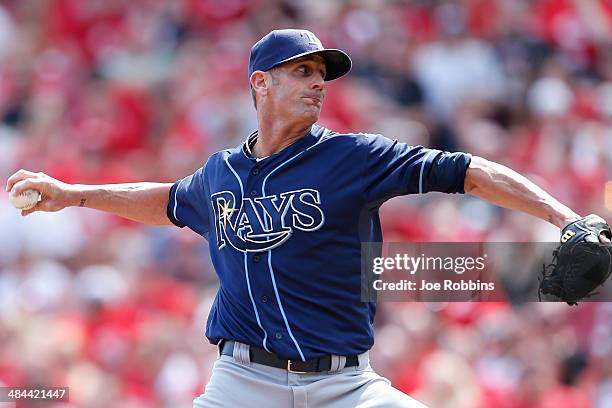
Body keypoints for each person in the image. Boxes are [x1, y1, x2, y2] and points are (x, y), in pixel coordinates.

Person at [5, 29, 586, 407]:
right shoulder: (222, 174)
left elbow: (469, 170)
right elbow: (166, 200)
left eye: (321, 75)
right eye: (302, 72)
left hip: (344, 385)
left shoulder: (354, 157)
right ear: (261, 83)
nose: (317, 84)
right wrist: (75, 193)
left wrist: (566, 218)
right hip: (242, 382)